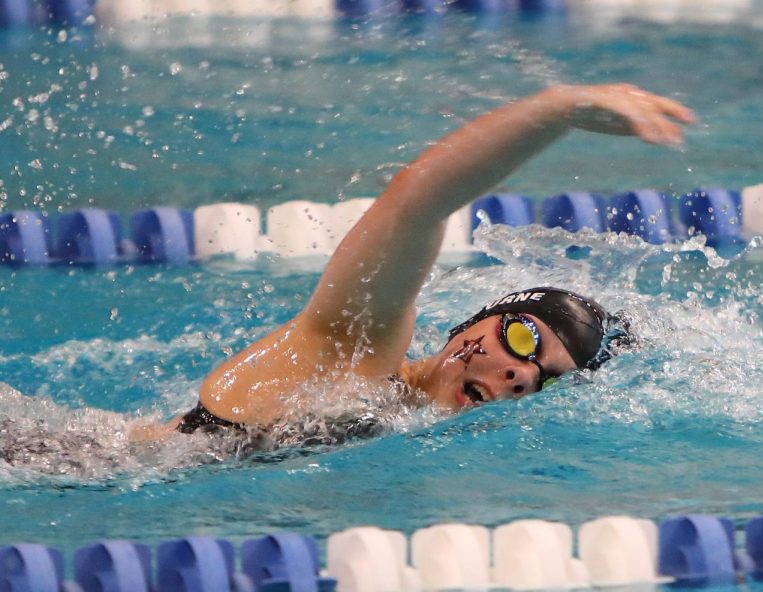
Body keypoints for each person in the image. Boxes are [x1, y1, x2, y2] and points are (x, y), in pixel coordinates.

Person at [146, 83, 695, 437]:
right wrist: (554, 111)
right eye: (524, 339)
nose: (520, 374)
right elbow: (415, 206)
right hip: (77, 465)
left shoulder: (399, 429)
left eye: (544, 378)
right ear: (472, 323)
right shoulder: (353, 350)